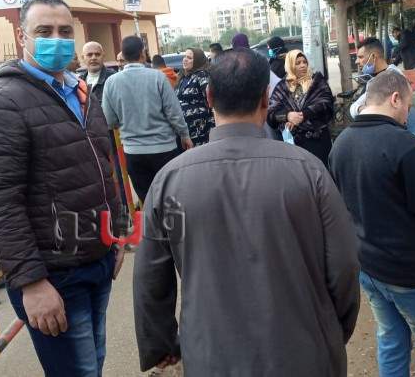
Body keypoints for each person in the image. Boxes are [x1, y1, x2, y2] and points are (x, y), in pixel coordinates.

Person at [133, 49, 360, 376]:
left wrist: (161, 343)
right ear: (266, 98)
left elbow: (150, 277)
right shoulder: (308, 170)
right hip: (303, 352)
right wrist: (333, 329)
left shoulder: (170, 180)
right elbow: (344, 265)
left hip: (212, 356)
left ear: (209, 98)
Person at [0, 0, 125, 376]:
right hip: (54, 274)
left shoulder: (80, 92)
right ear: (23, 37)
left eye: (65, 31)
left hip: (95, 258)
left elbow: (103, 169)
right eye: (44, 31)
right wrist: (31, 282)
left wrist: (116, 233)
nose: (57, 39)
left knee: (94, 362)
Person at [329, 70, 415, 377]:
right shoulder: (406, 145)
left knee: (391, 342)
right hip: (412, 273)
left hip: (369, 266)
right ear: (395, 98)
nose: (407, 116)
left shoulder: (342, 143)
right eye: (409, 107)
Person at [103, 36, 192, 203]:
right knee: (171, 199)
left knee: (148, 202)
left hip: (133, 152)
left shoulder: (111, 82)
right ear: (142, 54)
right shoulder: (158, 77)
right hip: (165, 149)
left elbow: (109, 120)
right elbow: (174, 112)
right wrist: (184, 135)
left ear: (123, 55)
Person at [267, 49, 334, 166]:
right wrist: (287, 116)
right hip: (294, 143)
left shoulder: (317, 82)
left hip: (317, 140)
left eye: (304, 62)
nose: (303, 65)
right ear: (290, 65)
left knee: (321, 171)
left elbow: (326, 103)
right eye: (297, 63)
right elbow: (271, 114)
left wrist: (303, 115)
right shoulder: (282, 87)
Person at [349, 38, 398, 119]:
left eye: (361, 57)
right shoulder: (374, 79)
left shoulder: (395, 78)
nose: (356, 61)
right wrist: (364, 109)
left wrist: (363, 109)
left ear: (373, 56)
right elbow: (353, 108)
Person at [176, 48, 214, 147]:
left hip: (200, 129)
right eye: (184, 56)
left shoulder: (201, 75)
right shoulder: (183, 77)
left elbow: (211, 99)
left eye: (189, 58)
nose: (185, 59)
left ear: (197, 60)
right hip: (185, 129)